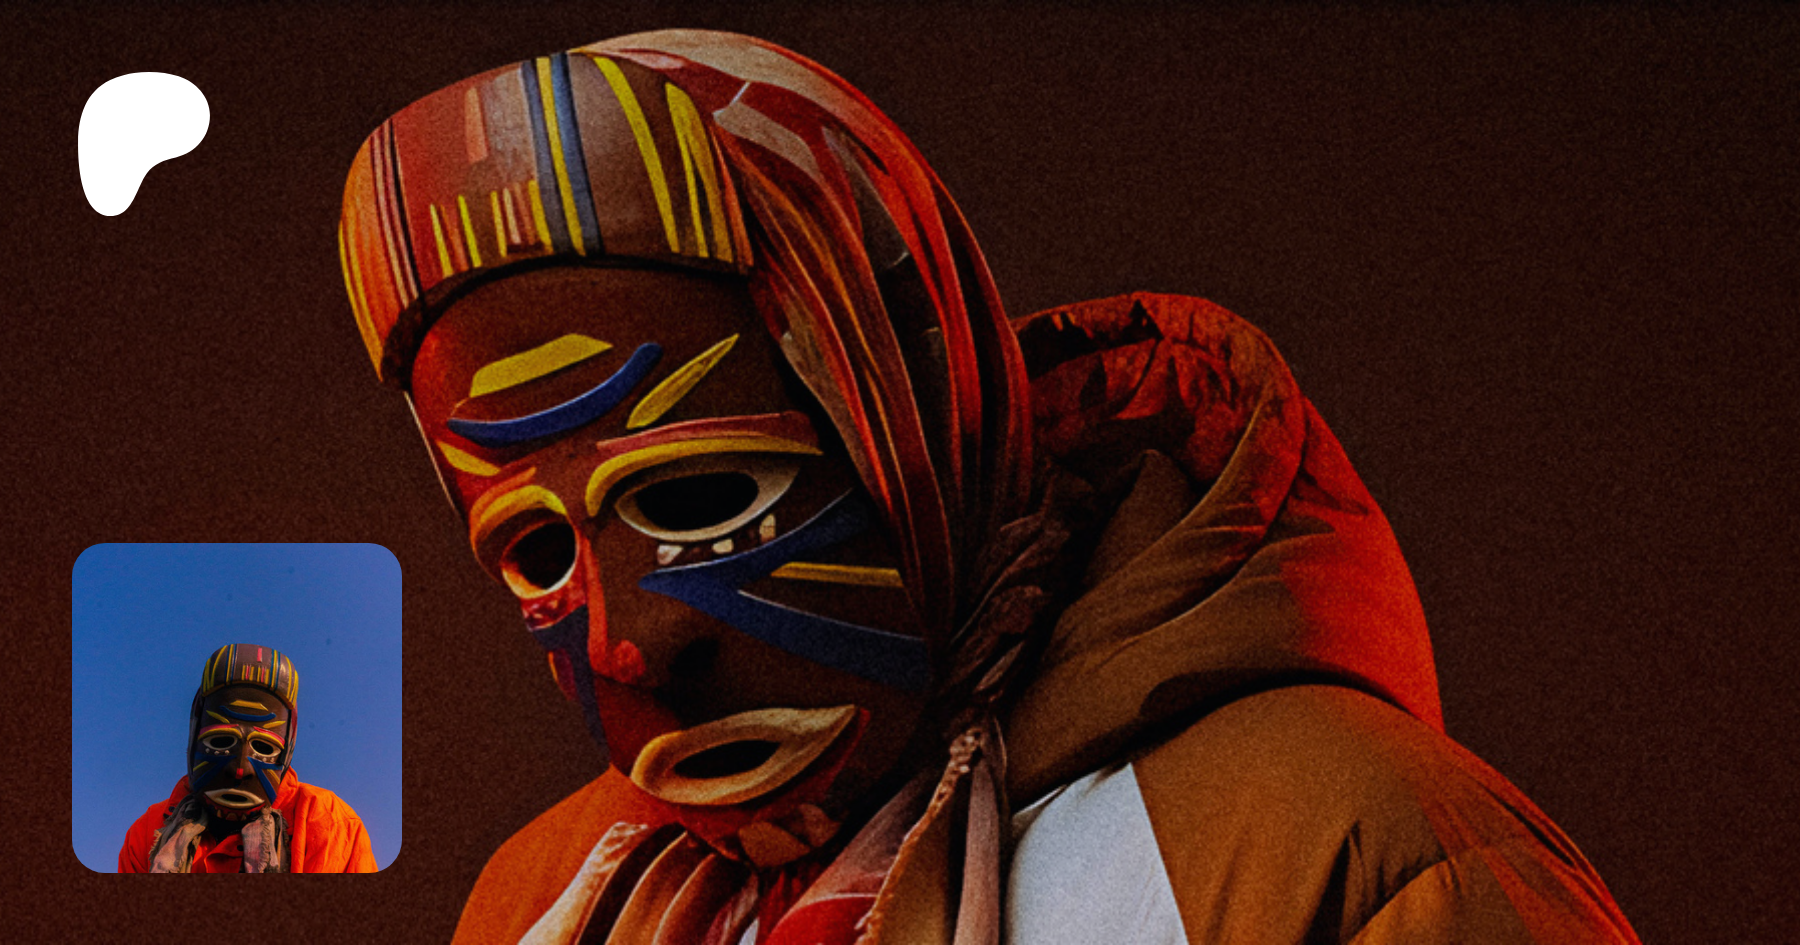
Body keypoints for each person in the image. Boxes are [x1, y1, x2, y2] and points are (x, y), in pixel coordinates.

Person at [336, 29, 1639, 942]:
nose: (632, 645)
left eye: (702, 499)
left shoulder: (1349, 848)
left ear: (908, 424)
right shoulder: (546, 902)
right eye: (534, 554)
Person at [117, 644, 377, 873]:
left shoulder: (326, 822)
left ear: (286, 752)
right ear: (195, 738)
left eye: (264, 748)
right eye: (220, 742)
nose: (240, 769)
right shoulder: (149, 830)